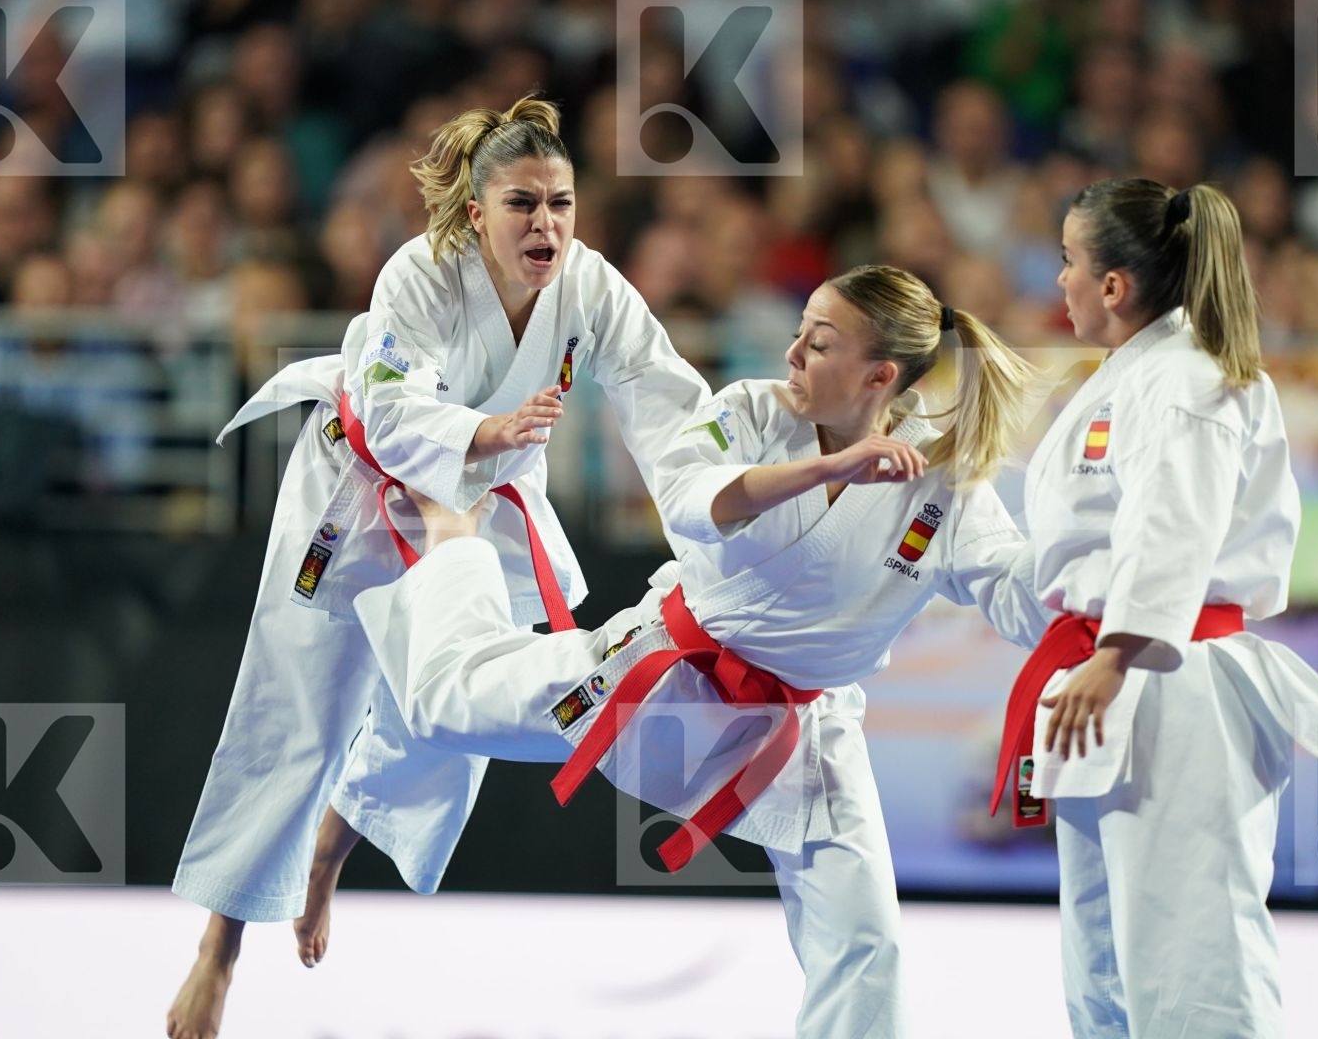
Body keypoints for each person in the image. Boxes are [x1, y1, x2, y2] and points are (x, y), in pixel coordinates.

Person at [339, 265, 1049, 1038]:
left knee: (864, 940)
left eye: (818, 342)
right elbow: (686, 500)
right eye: (799, 331)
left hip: (801, 731)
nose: (792, 354)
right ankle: (452, 536)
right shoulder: (751, 409)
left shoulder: (943, 487)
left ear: (879, 374)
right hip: (669, 672)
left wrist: (1096, 561)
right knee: (446, 706)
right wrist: (826, 467)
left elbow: (1017, 599)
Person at [165, 96, 710, 1039]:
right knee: (300, 707)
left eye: (561, 203)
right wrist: (484, 430)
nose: (546, 224)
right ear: (475, 214)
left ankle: (332, 846)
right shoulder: (416, 274)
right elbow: (386, 407)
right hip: (359, 486)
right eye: (522, 204)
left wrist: (717, 500)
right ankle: (218, 949)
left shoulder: (592, 289)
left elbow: (669, 402)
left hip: (481, 502)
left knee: (464, 705)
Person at [990, 178, 1318, 1038]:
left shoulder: (1188, 379)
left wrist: (1116, 655)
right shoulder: (1131, 375)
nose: (1059, 283)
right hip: (1116, 680)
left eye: (1069, 264)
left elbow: (1172, 527)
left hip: (1170, 682)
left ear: (1113, 285)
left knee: (1193, 959)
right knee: (1105, 963)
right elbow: (1078, 552)